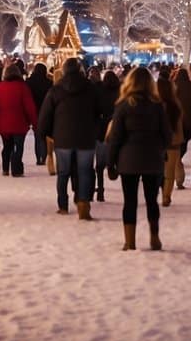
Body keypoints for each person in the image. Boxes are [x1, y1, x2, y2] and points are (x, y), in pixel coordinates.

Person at [106, 67, 172, 251]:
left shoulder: (124, 105)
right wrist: (159, 148)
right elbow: (167, 134)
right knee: (152, 200)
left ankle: (130, 241)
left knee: (130, 201)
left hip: (129, 160)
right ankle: (154, 236)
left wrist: (110, 162)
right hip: (152, 159)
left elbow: (116, 136)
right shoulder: (157, 106)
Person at [37, 58, 102, 219]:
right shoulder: (90, 89)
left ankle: (63, 204)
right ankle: (83, 203)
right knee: (85, 171)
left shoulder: (56, 90)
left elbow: (45, 115)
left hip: (62, 137)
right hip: (86, 137)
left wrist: (44, 134)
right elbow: (100, 111)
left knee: (63, 173)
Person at [0, 65, 37, 177]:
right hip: (20, 123)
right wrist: (34, 123)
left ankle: (5, 167)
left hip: (3, 124)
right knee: (18, 147)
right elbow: (30, 107)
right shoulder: (23, 87)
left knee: (6, 146)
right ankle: (16, 168)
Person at [155, 68, 184, 206]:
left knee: (157, 169)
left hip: (157, 142)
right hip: (174, 142)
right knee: (170, 171)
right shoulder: (175, 104)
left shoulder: (154, 105)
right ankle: (166, 195)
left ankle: (159, 192)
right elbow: (180, 123)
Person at [95, 71, 121, 203]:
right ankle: (113, 168)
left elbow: (96, 109)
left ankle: (100, 189)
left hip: (101, 128)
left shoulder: (99, 91)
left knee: (99, 164)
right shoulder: (121, 92)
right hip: (117, 127)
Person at [25, 62, 53, 168]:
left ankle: (39, 157)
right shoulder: (49, 83)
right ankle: (44, 155)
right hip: (46, 110)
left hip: (34, 110)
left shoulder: (29, 82)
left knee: (37, 135)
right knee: (45, 134)